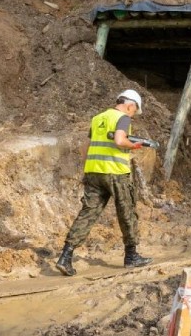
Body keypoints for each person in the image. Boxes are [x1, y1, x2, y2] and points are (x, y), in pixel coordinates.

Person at [56, 89, 153, 276]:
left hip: (94, 172)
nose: (132, 114)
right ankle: (131, 256)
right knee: (127, 212)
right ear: (130, 105)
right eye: (134, 111)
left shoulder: (98, 118)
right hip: (116, 172)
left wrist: (89, 167)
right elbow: (119, 140)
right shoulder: (123, 118)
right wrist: (134, 145)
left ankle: (65, 256)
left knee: (88, 213)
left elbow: (86, 146)